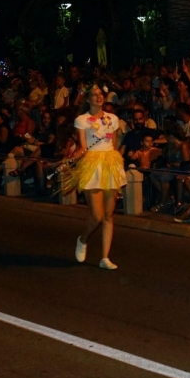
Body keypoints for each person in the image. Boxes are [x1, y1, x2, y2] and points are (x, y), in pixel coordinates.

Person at [69, 85, 127, 269]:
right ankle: (83, 239)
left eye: (100, 94)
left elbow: (115, 145)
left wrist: (118, 165)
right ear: (88, 99)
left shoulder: (114, 119)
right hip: (93, 165)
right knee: (97, 215)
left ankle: (104, 257)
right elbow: (83, 145)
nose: (98, 97)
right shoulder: (82, 120)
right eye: (93, 95)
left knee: (109, 214)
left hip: (110, 163)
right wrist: (77, 153)